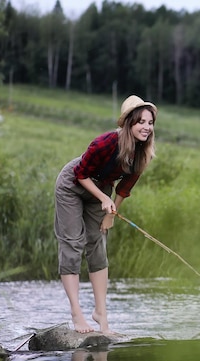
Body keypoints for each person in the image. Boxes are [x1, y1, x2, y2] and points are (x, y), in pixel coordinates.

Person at [54, 95, 157, 334]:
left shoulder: (143, 154)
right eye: (141, 121)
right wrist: (103, 198)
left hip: (103, 189)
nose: (146, 127)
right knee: (72, 243)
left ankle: (101, 314)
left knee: (97, 245)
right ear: (129, 123)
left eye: (150, 122)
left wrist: (112, 212)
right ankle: (77, 314)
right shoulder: (106, 142)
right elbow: (80, 174)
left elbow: (124, 188)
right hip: (73, 184)